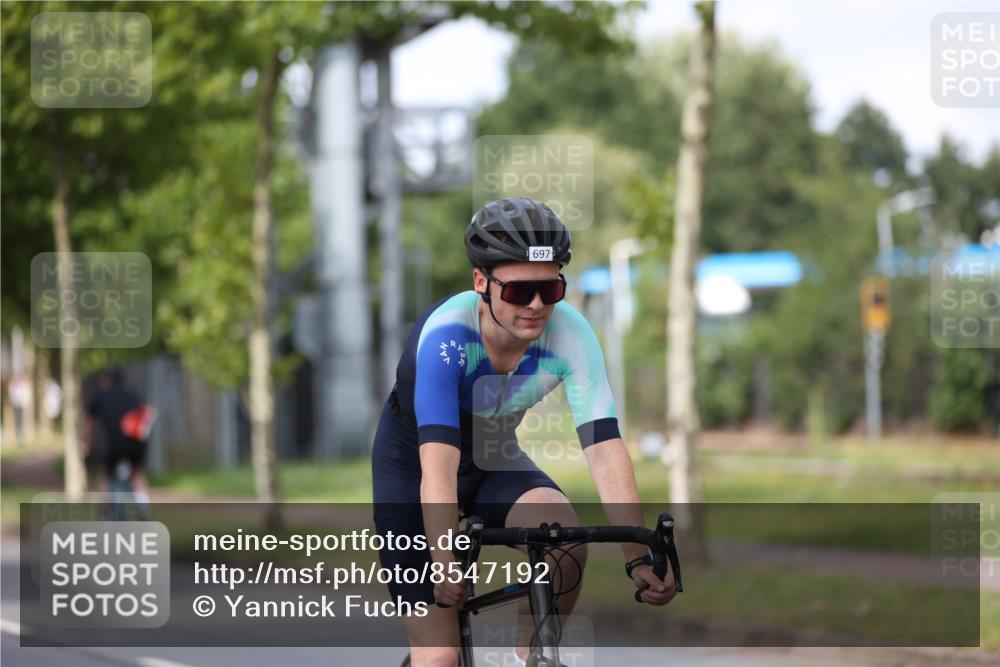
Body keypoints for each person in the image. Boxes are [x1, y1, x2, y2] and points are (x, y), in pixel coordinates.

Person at [371, 198, 676, 667]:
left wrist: (637, 556)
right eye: (518, 293)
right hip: (414, 471)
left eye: (550, 289)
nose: (536, 306)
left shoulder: (571, 334)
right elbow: (438, 464)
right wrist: (443, 558)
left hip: (494, 459)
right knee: (439, 658)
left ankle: (529, 658)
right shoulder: (446, 338)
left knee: (565, 538)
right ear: (481, 283)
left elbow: (605, 449)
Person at [84, 366, 152, 504]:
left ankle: (107, 513)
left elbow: (89, 424)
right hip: (136, 441)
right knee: (137, 474)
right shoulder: (133, 394)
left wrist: (87, 444)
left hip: (114, 444)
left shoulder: (100, 395)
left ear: (105, 381)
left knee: (105, 475)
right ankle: (144, 505)